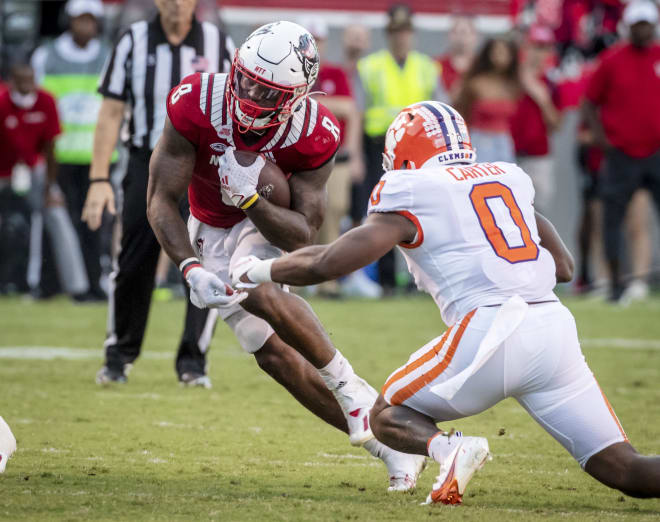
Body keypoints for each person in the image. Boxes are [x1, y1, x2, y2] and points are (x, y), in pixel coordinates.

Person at [232, 101, 660, 505]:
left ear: (405, 154)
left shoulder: (413, 187)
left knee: (384, 414)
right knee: (625, 468)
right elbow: (564, 267)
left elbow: (332, 261)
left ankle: (451, 448)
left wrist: (261, 271)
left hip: (489, 333)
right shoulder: (507, 177)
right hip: (554, 331)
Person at [147, 20, 425, 491]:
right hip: (209, 222)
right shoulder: (195, 100)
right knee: (272, 356)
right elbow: (159, 199)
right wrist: (189, 268)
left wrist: (253, 201)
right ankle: (389, 446)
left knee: (249, 278)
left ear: (298, 97)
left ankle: (346, 383)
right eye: (247, 79)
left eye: (269, 91)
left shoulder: (314, 132)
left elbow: (302, 235)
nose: (252, 94)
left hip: (265, 219)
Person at [81, 0, 235, 387]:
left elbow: (237, 106)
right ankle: (119, 356)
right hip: (146, 162)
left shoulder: (218, 42)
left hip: (203, 168)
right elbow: (111, 112)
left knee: (206, 261)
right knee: (134, 258)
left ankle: (193, 362)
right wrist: (99, 179)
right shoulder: (133, 40)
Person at [31, 0, 113, 301]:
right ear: (70, 20)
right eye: (81, 19)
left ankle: (91, 285)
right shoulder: (47, 56)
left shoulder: (109, 56)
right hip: (59, 156)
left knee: (93, 223)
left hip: (97, 156)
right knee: (54, 222)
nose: (86, 26)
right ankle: (48, 284)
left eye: (91, 20)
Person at [582, 0, 660, 303]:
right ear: (628, 26)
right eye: (637, 24)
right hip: (621, 155)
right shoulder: (612, 60)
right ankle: (614, 285)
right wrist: (603, 139)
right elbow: (589, 102)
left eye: (647, 24)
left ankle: (637, 281)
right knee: (611, 221)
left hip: (656, 153)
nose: (643, 30)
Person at [357, 3, 438, 292]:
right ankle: (387, 280)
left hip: (419, 149)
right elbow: (359, 111)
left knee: (421, 215)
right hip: (380, 147)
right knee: (384, 213)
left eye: (405, 31)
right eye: (396, 32)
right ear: (388, 34)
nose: (401, 37)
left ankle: (420, 282)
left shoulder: (427, 67)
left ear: (412, 34)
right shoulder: (370, 67)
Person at [0, 63, 89, 300]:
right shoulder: (1, 101)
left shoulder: (46, 101)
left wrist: (50, 188)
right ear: (12, 80)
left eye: (31, 79)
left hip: (33, 168)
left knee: (58, 215)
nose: (27, 84)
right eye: (21, 79)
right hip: (3, 169)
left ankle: (77, 287)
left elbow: (50, 148)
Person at [299, 16, 365, 297]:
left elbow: (350, 110)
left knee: (335, 210)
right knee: (302, 214)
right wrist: (329, 105)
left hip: (335, 155)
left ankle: (329, 280)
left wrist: (355, 155)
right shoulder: (292, 72)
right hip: (300, 156)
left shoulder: (336, 73)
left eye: (318, 40)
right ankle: (301, 276)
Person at [510, 25, 562, 214]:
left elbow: (556, 124)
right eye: (536, 46)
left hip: (538, 158)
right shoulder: (510, 78)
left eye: (544, 47)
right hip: (509, 156)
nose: (539, 53)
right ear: (526, 47)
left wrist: (542, 98)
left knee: (538, 217)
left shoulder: (551, 83)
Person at [454, 37, 520, 163]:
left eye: (504, 52)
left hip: (504, 142)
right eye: (496, 52)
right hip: (480, 140)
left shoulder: (512, 85)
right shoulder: (475, 84)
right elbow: (461, 113)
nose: (500, 57)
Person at [435, 16, 479, 100]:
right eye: (455, 32)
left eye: (464, 32)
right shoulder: (436, 65)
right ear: (449, 35)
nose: (460, 37)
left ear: (475, 36)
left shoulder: (482, 66)